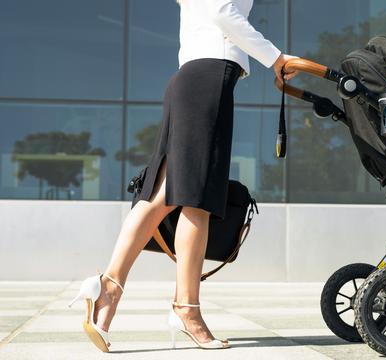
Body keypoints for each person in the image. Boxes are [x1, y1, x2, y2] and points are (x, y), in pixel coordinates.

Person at [67, 0, 298, 352]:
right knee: (197, 200)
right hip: (209, 79)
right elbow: (223, 10)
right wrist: (275, 58)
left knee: (160, 197)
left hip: (191, 78)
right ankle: (186, 308)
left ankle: (108, 287)